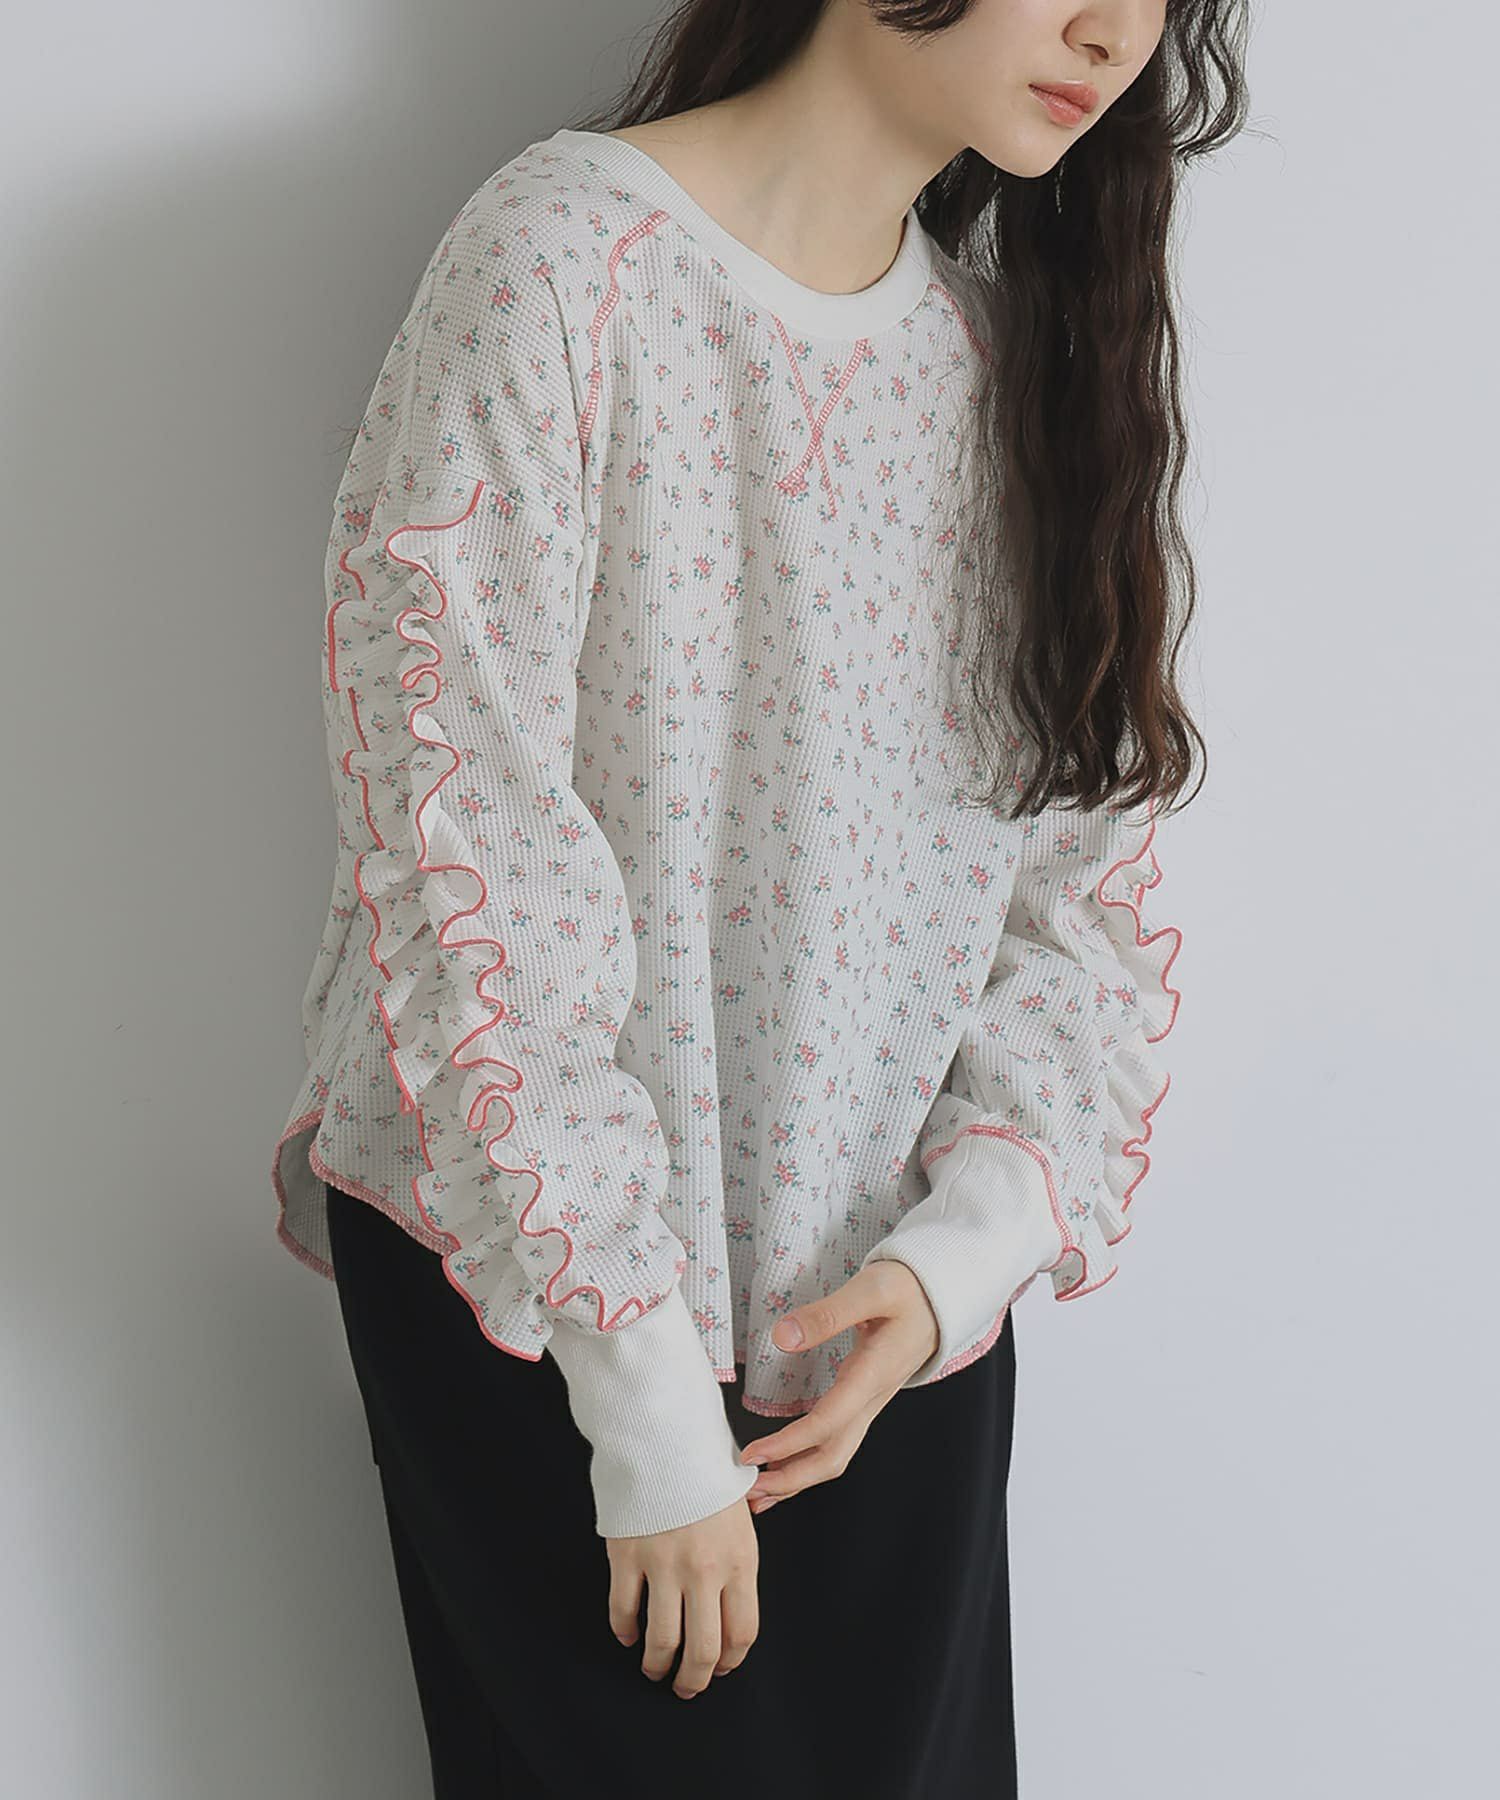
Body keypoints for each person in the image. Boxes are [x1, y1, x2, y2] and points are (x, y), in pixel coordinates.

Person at [270, 1, 1245, 1792]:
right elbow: (461, 850)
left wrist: (954, 1267)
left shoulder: (1005, 365)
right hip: (549, 1297)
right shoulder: (564, 265)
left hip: (884, 1336)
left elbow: (1078, 906)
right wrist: (646, 1412)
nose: (1115, 31)